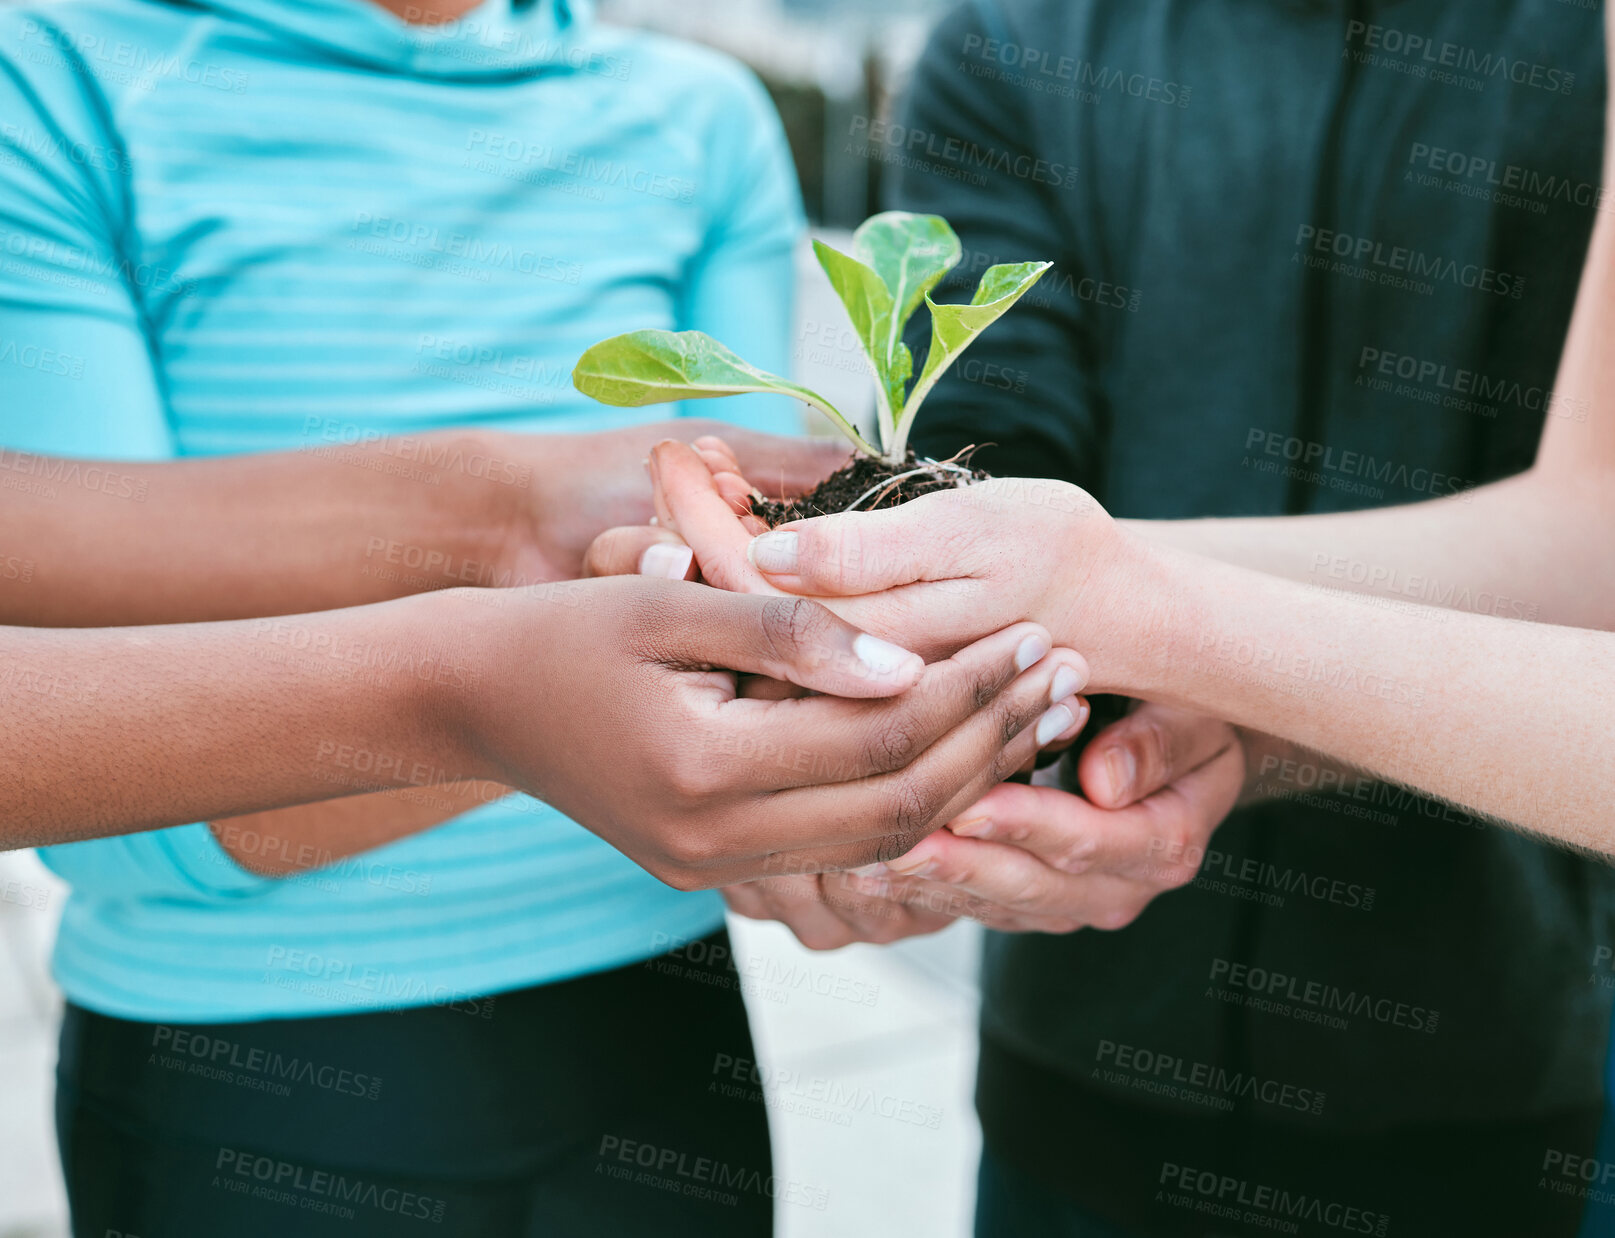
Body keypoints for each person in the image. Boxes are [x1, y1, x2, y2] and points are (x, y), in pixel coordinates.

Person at [0, 1, 1083, 1233]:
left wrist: (823, 796)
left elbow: (713, 581)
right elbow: (114, 790)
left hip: (654, 1026)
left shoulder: (698, 114)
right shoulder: (59, 74)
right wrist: (516, 660)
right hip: (241, 1059)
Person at [595, 0, 1615, 1232]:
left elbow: (1585, 551)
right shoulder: (1023, 36)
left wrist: (1100, 598)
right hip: (1081, 1054)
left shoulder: (1582, 44)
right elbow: (998, 450)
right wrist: (868, 732)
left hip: (1500, 1063)